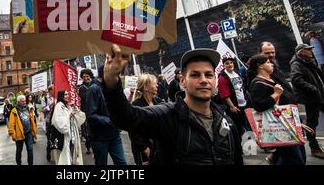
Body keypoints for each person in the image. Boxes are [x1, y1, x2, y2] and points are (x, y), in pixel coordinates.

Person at [103, 44, 243, 165]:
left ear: (215, 80)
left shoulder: (228, 123)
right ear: (182, 81)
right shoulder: (167, 116)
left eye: (209, 75)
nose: (203, 80)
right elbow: (126, 118)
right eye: (195, 75)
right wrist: (111, 82)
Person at [248, 54, 313, 165]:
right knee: (294, 160)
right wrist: (276, 95)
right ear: (260, 65)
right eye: (268, 62)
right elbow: (258, 105)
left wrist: (297, 123)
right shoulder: (257, 83)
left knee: (297, 157)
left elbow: (281, 108)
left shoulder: (271, 80)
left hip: (288, 125)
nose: (271, 64)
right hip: (280, 130)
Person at [86, 65, 128, 165]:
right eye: (113, 74)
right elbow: (91, 116)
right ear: (105, 74)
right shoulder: (93, 89)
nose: (116, 77)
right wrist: (110, 121)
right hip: (99, 138)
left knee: (122, 163)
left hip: (114, 135)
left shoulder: (112, 87)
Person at [290, 43, 324, 159]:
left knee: (312, 123)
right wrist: (313, 89)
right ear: (301, 52)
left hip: (320, 95)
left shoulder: (307, 61)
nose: (311, 51)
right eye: (308, 50)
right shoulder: (296, 63)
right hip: (312, 97)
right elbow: (296, 79)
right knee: (312, 124)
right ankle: (314, 148)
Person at [129, 74, 163, 165]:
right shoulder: (136, 105)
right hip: (143, 150)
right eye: (154, 83)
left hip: (158, 148)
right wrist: (145, 148)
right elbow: (133, 131)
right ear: (146, 87)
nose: (157, 85)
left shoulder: (159, 101)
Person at [51, 90, 86, 165]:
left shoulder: (67, 106)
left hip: (71, 134)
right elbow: (58, 121)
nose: (67, 96)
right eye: (65, 94)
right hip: (63, 136)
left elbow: (80, 117)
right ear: (61, 96)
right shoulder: (58, 106)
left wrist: (74, 109)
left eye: (68, 94)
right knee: (64, 157)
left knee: (71, 152)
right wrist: (69, 115)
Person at [217, 57, 249, 136]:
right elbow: (224, 94)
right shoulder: (222, 77)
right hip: (235, 107)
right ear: (223, 65)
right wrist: (231, 106)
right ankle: (240, 146)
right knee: (238, 128)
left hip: (244, 105)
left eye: (231, 62)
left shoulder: (236, 73)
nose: (229, 65)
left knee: (247, 125)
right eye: (227, 63)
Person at [8, 95, 34, 165]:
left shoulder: (28, 109)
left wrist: (33, 130)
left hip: (28, 133)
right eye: (22, 101)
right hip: (19, 134)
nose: (24, 102)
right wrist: (13, 135)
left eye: (25, 101)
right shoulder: (14, 111)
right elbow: (11, 124)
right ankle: (19, 163)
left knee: (30, 149)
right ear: (18, 102)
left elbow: (32, 120)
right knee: (19, 151)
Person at [78, 68, 93, 154]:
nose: (86, 78)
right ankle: (88, 146)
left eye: (87, 76)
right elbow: (84, 98)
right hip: (85, 111)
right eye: (84, 77)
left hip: (94, 111)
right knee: (86, 131)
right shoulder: (81, 88)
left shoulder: (93, 85)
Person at [44, 84, 55, 161]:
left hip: (56, 121)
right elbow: (42, 109)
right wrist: (51, 105)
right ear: (50, 90)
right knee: (49, 139)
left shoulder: (57, 97)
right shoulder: (45, 98)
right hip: (49, 121)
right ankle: (48, 152)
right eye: (54, 89)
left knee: (56, 138)